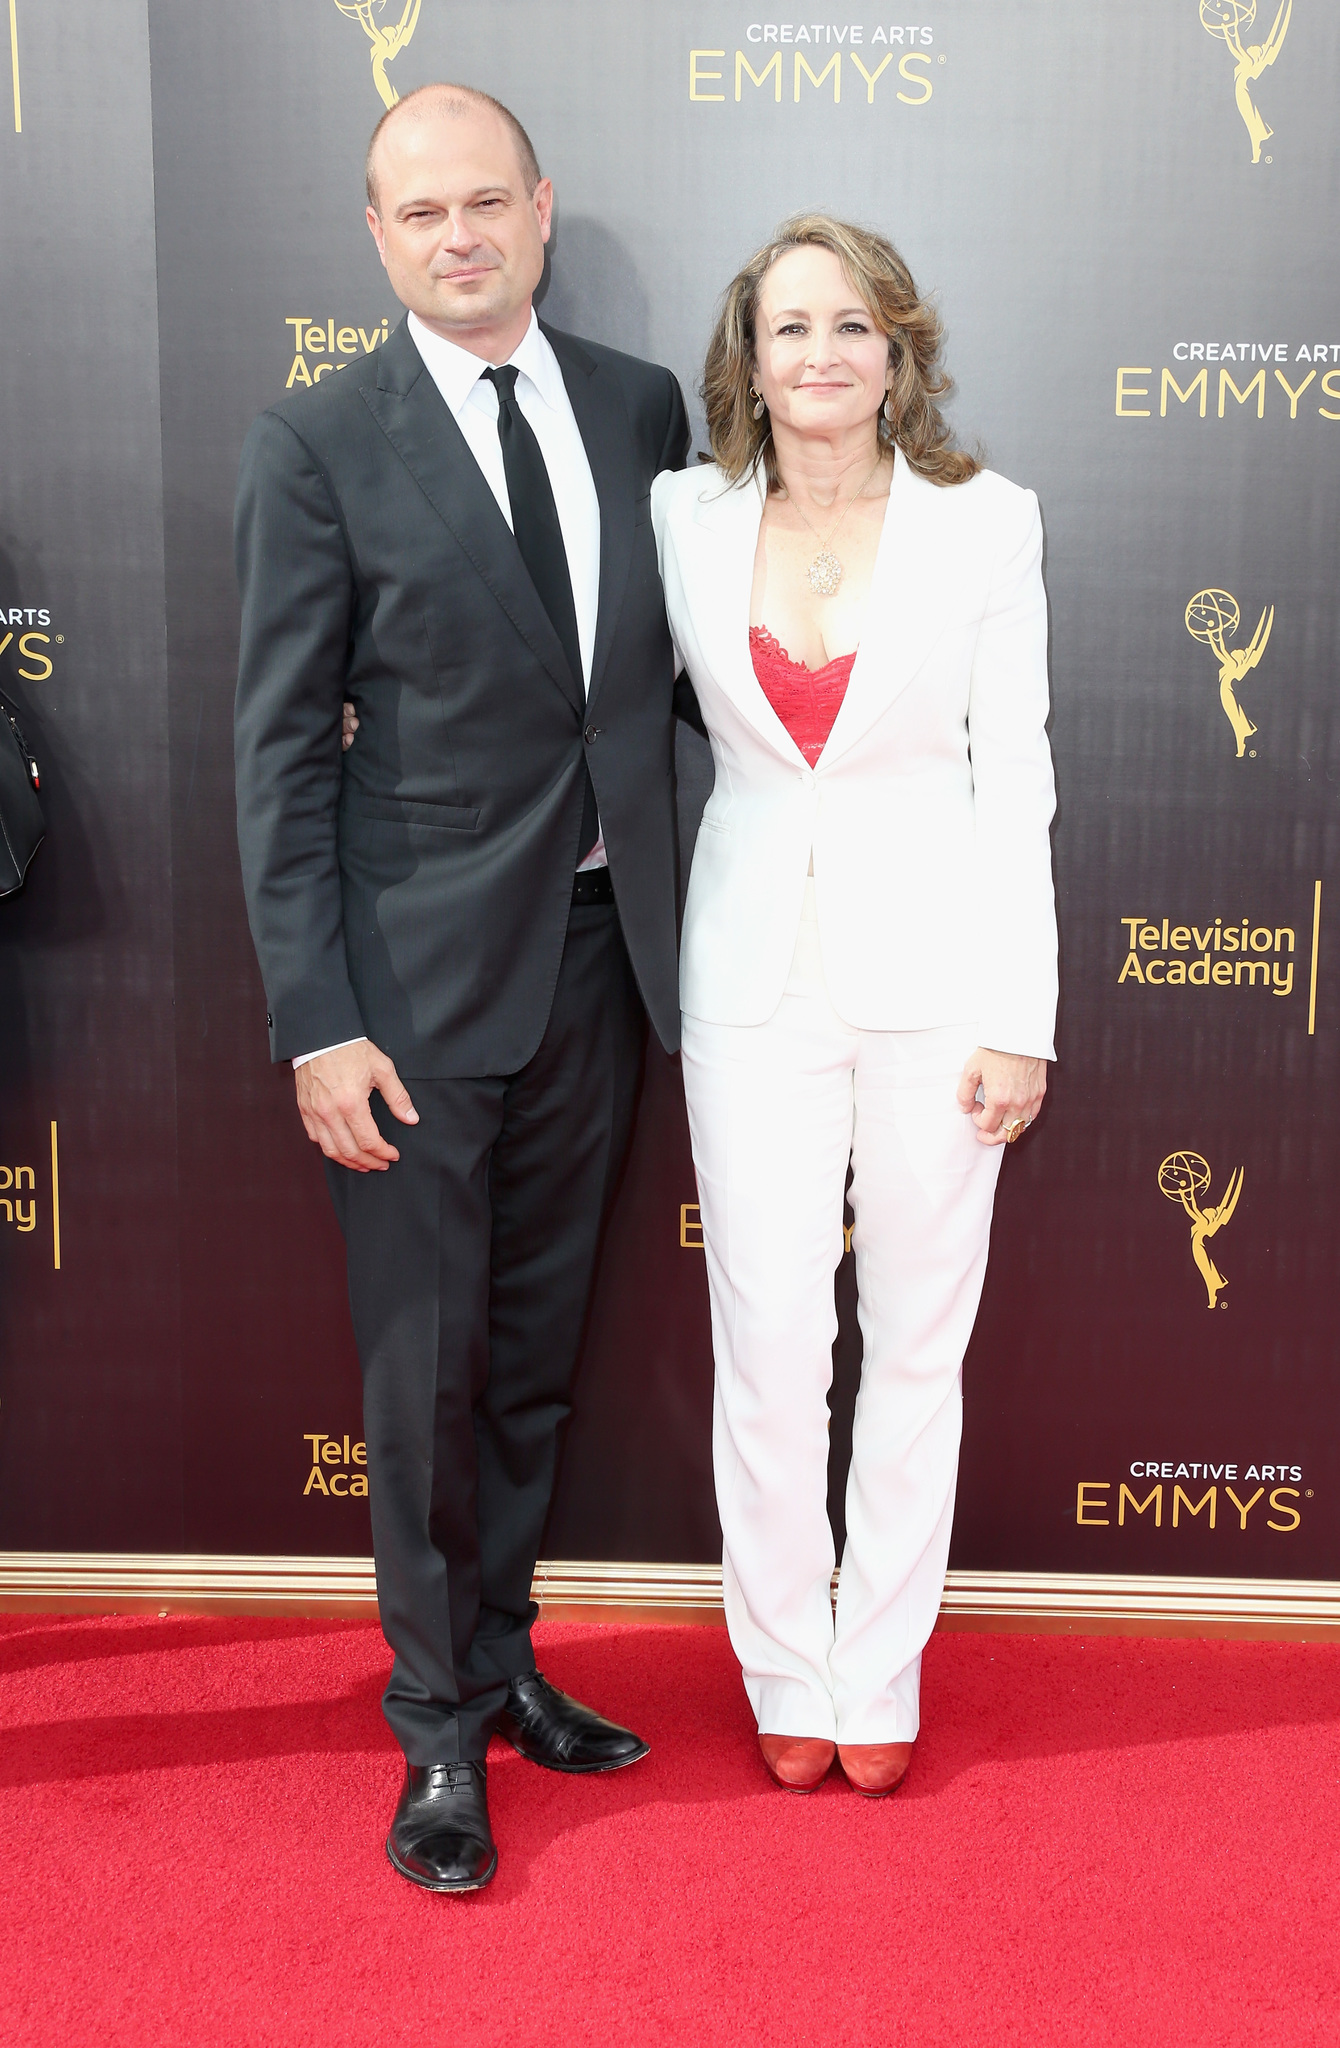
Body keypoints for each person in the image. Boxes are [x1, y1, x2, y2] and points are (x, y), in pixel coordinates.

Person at [234, 83, 695, 1892]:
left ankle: (504, 1669)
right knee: (422, 1378)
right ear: (375, 235)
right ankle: (433, 1734)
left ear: (541, 207)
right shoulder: (317, 438)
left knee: (528, 1369)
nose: (457, 235)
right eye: (418, 212)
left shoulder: (634, 408)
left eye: (484, 202)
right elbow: (277, 760)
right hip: (408, 996)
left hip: (600, 963)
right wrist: (312, 1018)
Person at [651, 214, 1057, 1798]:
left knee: (914, 1341)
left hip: (938, 984)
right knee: (764, 1340)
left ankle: (877, 1660)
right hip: (749, 980)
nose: (818, 354)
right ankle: (781, 1659)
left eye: (850, 326)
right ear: (748, 357)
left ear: (900, 350)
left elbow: (1014, 779)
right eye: (787, 327)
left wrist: (1020, 1013)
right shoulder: (685, 517)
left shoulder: (984, 521)